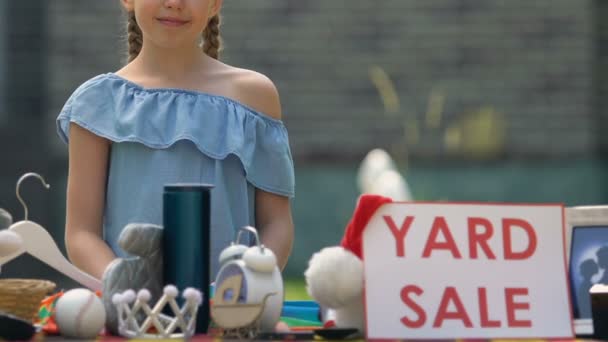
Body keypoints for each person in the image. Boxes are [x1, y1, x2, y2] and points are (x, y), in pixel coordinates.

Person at [56, 0, 295, 280]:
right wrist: (124, 285)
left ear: (215, 4)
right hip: (132, 317)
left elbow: (276, 224)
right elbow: (81, 234)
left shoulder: (255, 95)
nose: (174, 3)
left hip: (231, 316)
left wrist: (243, 291)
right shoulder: (95, 103)